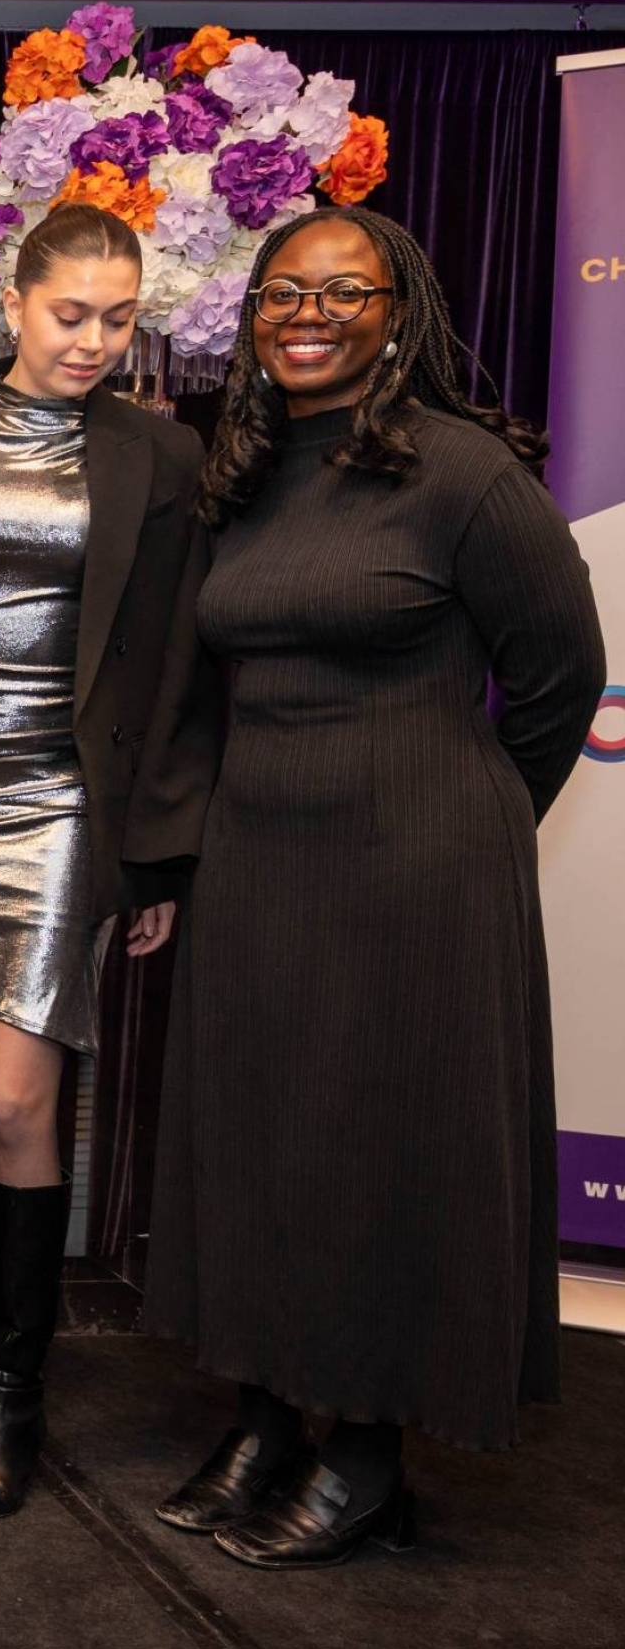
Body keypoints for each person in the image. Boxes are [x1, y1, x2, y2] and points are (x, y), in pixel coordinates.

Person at [145, 206, 604, 1568]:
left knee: (381, 1150)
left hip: (415, 868)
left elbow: (560, 680)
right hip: (262, 854)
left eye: (344, 293)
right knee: (270, 1141)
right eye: (285, 290)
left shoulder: (464, 474)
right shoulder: (244, 467)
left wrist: (458, 817)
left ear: (397, 313)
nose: (310, 313)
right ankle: (271, 1408)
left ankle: (366, 1448)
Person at [0, 202, 217, 1523]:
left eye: (121, 320)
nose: (96, 342)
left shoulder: (158, 455)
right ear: (15, 302)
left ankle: (17, 1393)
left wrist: (157, 856)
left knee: (16, 1103)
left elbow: (175, 664)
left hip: (53, 802)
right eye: (74, 313)